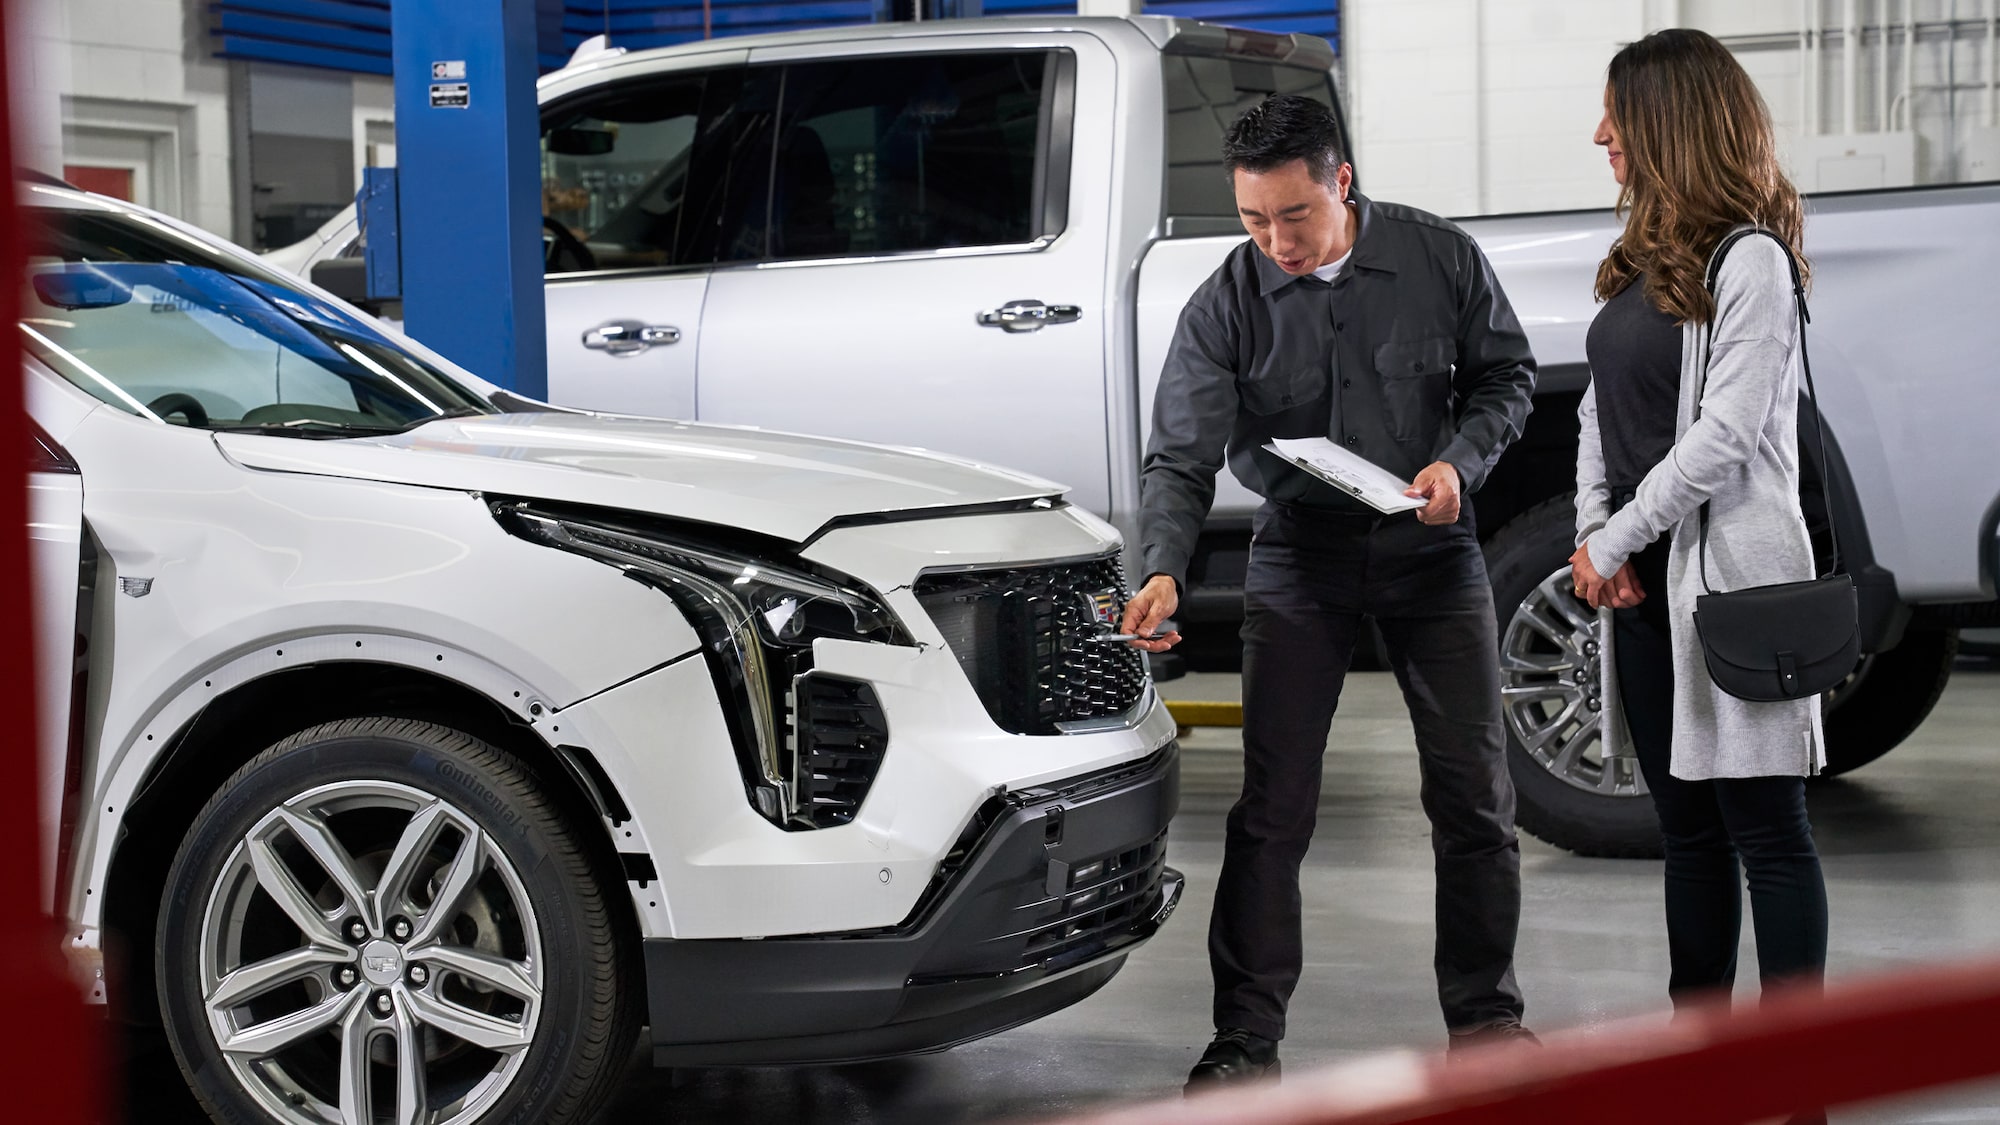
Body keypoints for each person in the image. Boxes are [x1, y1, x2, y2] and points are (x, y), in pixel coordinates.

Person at [1117, 94, 1539, 1090]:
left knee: (1474, 797)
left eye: (1294, 215)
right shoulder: (1226, 300)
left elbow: (1506, 379)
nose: (1276, 242)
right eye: (1253, 220)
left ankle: (1487, 1025)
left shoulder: (1439, 258)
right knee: (1273, 808)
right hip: (1299, 554)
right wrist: (1163, 569)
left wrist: (1459, 462)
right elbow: (1179, 456)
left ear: (1341, 182)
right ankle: (1243, 1043)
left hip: (1430, 551)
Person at [1572, 32, 1829, 1122]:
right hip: (1643, 584)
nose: (1600, 135)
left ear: (1666, 121)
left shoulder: (1749, 262)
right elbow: (1596, 415)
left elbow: (1723, 437)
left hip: (1730, 590)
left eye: (1615, 115)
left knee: (1766, 833)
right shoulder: (1639, 261)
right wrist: (1597, 534)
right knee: (1687, 837)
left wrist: (1618, 540)